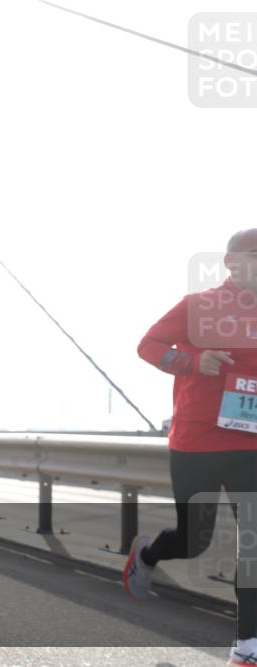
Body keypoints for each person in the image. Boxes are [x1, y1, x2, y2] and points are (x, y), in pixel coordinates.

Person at [130, 228, 257, 665]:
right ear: (231, 262)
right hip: (197, 443)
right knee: (193, 539)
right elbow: (148, 346)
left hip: (251, 446)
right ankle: (148, 554)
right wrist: (192, 361)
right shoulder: (199, 306)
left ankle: (247, 647)